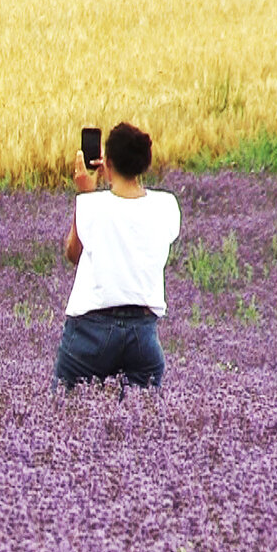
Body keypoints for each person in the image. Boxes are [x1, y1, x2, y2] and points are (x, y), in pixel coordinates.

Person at [54, 122, 181, 390]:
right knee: (143, 423)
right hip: (143, 334)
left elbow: (73, 253)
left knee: (64, 414)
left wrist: (86, 193)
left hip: (90, 333)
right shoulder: (166, 205)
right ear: (145, 164)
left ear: (107, 162)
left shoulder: (92, 205)